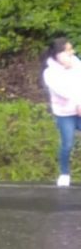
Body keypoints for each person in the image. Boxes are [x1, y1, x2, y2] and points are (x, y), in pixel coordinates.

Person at [41, 36, 81, 187]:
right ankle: (64, 173)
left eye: (71, 49)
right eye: (68, 50)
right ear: (58, 54)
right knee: (68, 143)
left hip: (80, 107)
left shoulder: (76, 63)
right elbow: (63, 92)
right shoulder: (50, 73)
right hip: (65, 114)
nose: (72, 53)